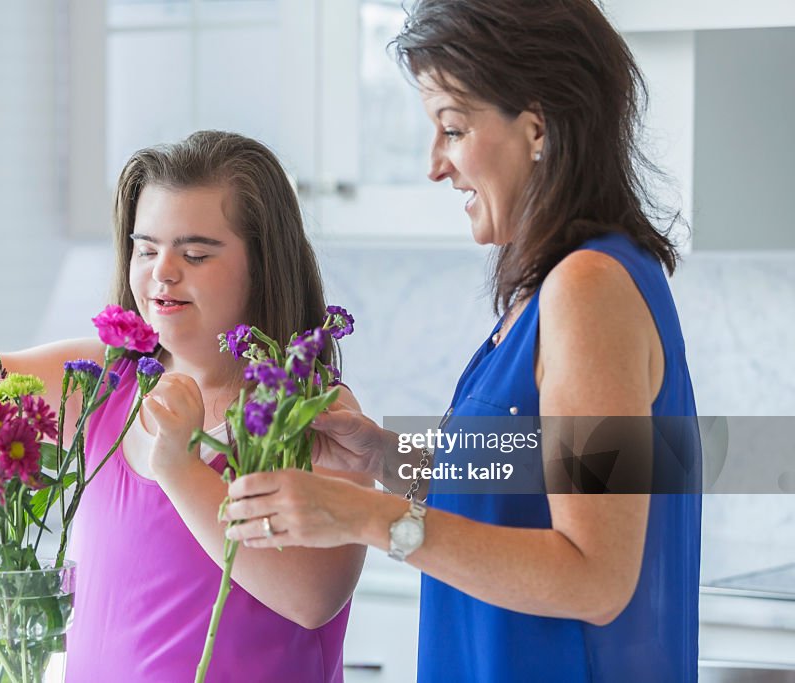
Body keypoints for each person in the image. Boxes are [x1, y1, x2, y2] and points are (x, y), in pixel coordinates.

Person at [222, 1, 701, 681]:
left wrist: (365, 514)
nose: (434, 165)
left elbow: (596, 576)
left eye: (452, 128)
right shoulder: (556, 290)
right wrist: (386, 455)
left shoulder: (590, 289)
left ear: (537, 127)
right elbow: (531, 479)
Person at [0, 130, 372, 682]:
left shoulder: (310, 412)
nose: (163, 271)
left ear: (264, 263)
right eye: (146, 248)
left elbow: (312, 596)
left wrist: (180, 469)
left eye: (197, 253)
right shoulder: (102, 383)